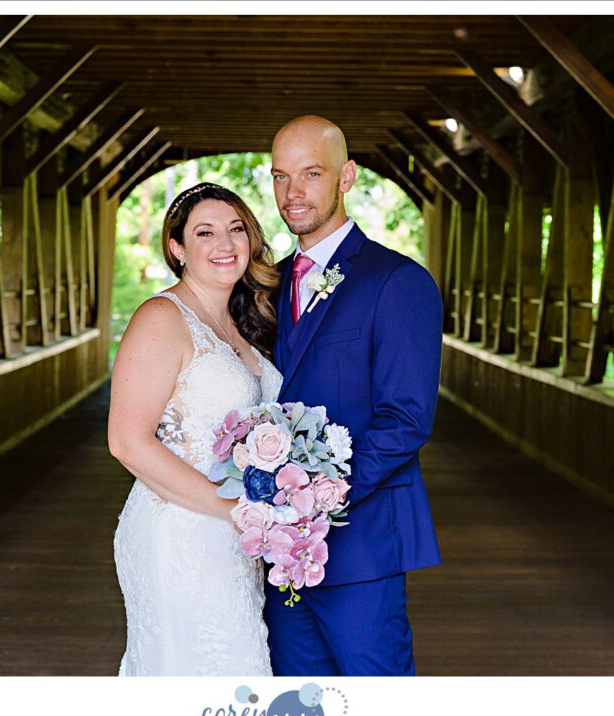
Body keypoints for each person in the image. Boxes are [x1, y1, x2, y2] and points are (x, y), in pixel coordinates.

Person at [265, 115, 444, 676]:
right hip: (275, 553)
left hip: (361, 544)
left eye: (310, 174)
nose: (292, 194)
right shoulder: (266, 286)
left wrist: (315, 500)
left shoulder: (398, 281)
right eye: (279, 177)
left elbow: (406, 419)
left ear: (347, 176)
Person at [108, 183, 282, 676]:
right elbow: (126, 440)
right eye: (204, 232)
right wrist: (234, 508)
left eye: (235, 230)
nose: (224, 245)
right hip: (180, 533)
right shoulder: (161, 317)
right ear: (177, 248)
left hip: (232, 536)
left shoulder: (242, 321)